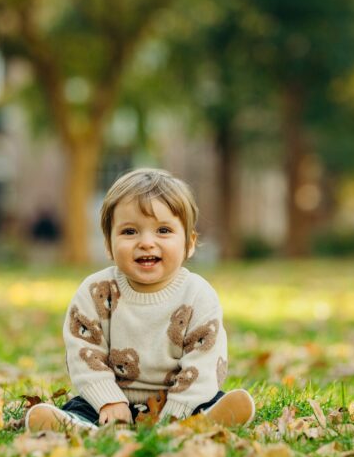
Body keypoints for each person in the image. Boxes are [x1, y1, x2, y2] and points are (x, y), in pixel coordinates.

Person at [25, 169, 255, 432]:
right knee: (81, 407)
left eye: (164, 230)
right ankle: (78, 426)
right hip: (111, 400)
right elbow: (84, 352)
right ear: (108, 244)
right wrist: (108, 400)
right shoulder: (96, 292)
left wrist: (176, 412)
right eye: (130, 231)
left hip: (181, 400)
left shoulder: (198, 295)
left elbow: (203, 362)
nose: (146, 242)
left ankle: (201, 421)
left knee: (211, 399)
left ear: (189, 243)